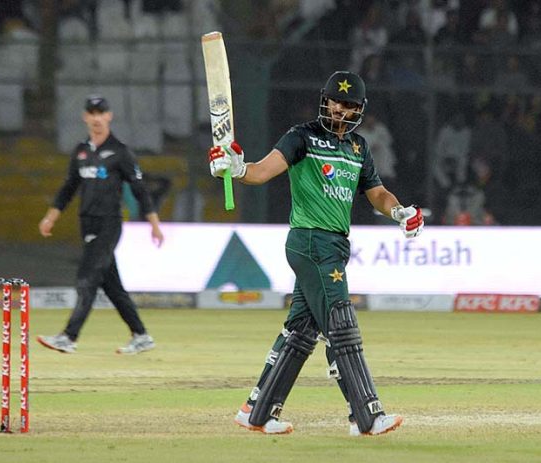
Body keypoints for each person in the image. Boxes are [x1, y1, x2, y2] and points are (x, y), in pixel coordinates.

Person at [208, 71, 423, 436]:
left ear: (359, 110)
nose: (339, 110)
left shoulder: (358, 148)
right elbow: (260, 172)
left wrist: (399, 212)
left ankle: (258, 413)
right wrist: (238, 168)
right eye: (335, 102)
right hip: (311, 242)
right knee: (341, 325)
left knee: (300, 333)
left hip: (334, 246)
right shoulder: (301, 137)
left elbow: (377, 193)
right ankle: (366, 416)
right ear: (325, 101)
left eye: (348, 105)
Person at [37, 95, 164, 354]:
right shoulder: (81, 152)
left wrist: (154, 223)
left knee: (88, 278)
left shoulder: (120, 152)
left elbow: (139, 189)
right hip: (87, 224)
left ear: (109, 116)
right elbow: (69, 188)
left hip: (109, 224)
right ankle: (141, 336)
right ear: (85, 117)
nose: (96, 118)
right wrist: (51, 216)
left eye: (101, 113)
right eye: (92, 113)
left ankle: (68, 337)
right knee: (111, 285)